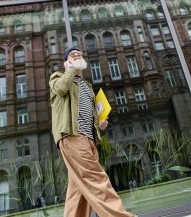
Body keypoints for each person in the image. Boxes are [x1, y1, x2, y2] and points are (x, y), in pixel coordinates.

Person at [49, 47, 137, 217]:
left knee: (77, 192)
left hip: (88, 140)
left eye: (79, 54)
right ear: (66, 61)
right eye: (72, 55)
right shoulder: (58, 77)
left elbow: (89, 114)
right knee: (97, 180)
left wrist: (100, 124)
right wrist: (70, 70)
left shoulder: (87, 86)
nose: (77, 55)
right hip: (73, 136)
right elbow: (60, 89)